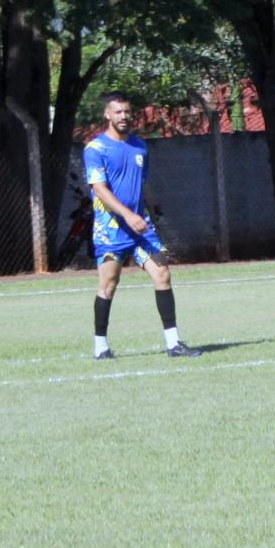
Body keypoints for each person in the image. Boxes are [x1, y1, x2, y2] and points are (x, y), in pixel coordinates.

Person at [84, 91, 201, 359]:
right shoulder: (95, 149)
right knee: (109, 284)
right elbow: (100, 189)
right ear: (107, 114)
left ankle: (174, 344)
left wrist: (153, 208)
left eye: (127, 111)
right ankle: (101, 346)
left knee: (162, 274)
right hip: (111, 228)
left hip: (141, 226)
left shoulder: (139, 146)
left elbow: (141, 182)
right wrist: (127, 215)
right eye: (118, 112)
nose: (124, 116)